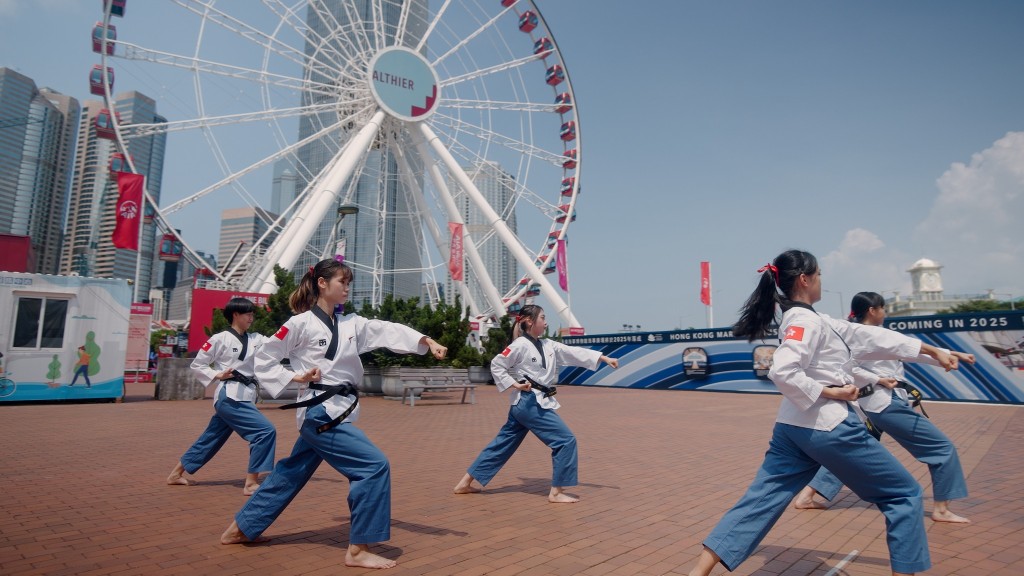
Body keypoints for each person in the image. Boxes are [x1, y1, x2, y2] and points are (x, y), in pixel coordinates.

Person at [687, 250, 960, 576]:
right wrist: (832, 392)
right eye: (819, 275)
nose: (821, 281)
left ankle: (697, 573)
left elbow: (871, 336)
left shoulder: (814, 320)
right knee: (904, 494)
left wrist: (934, 351)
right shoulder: (804, 322)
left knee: (760, 501)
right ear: (805, 279)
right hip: (827, 426)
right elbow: (782, 371)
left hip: (792, 428)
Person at [220, 258, 447, 570]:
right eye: (342, 282)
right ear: (322, 284)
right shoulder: (300, 324)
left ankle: (241, 528)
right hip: (321, 412)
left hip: (339, 409)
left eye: (349, 283)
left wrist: (426, 340)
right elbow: (266, 357)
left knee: (291, 472)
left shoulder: (351, 325)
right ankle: (357, 550)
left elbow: (387, 331)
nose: (347, 288)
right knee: (373, 466)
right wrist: (295, 377)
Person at [792, 291, 974, 523]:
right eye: (883, 308)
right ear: (872, 310)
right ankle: (941, 509)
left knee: (849, 454)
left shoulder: (850, 335)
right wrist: (877, 379)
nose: (885, 313)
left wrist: (950, 354)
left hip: (869, 406)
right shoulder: (876, 335)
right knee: (942, 448)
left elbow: (913, 352)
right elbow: (901, 353)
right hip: (885, 404)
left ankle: (807, 496)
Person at [453, 304, 619, 503]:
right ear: (530, 322)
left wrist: (602, 357)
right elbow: (497, 364)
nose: (546, 321)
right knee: (565, 441)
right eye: (542, 317)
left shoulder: (548, 344)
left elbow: (571, 352)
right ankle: (556, 493)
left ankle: (464, 483)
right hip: (529, 403)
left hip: (526, 405)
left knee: (502, 444)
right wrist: (514, 384)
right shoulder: (519, 345)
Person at [167, 297, 274, 496]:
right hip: (230, 396)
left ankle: (175, 474)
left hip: (245, 394)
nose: (251, 317)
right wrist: (217, 374)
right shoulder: (219, 339)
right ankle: (251, 483)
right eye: (247, 314)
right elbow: (197, 365)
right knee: (265, 432)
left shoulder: (256, 339)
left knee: (211, 438)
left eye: (252, 314)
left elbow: (278, 345)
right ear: (235, 314)